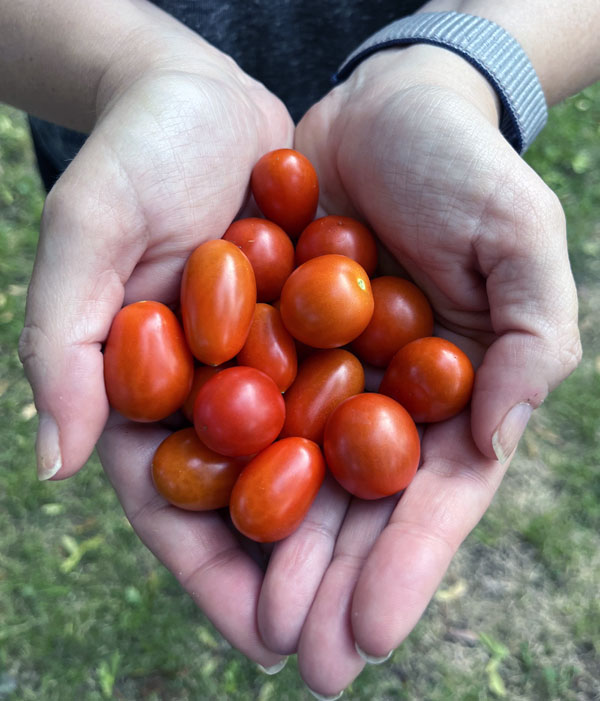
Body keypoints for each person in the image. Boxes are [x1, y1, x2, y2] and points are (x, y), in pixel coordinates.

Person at [2, 1, 599, 698]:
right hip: (131, 161)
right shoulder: (254, 320)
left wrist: (464, 62)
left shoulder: (322, 336)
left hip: (358, 129)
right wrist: (127, 71)